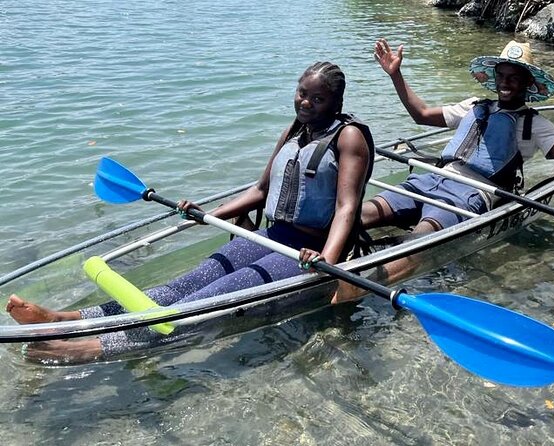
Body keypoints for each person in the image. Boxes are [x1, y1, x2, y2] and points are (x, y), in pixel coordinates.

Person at [6, 61, 375, 362]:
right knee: (181, 287)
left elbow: (346, 206)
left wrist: (326, 259)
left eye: (318, 99)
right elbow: (261, 190)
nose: (306, 103)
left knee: (199, 306)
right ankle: (64, 320)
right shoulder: (295, 130)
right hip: (271, 236)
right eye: (302, 93)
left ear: (336, 102)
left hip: (306, 251)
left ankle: (90, 349)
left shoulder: (348, 137)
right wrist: (207, 213)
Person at [333, 38, 554, 302]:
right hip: (430, 178)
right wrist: (396, 75)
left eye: (514, 77)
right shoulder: (474, 106)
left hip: (472, 196)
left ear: (526, 82)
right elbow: (421, 114)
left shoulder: (535, 125)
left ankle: (352, 287)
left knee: (419, 240)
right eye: (502, 75)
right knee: (360, 213)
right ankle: (317, 256)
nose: (505, 82)